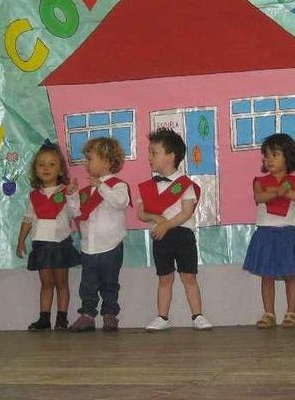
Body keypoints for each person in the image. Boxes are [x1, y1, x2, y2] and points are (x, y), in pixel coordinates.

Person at [137, 128, 213, 331]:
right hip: (160, 237)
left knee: (188, 276)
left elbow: (187, 212)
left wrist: (167, 224)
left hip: (182, 235)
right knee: (164, 278)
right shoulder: (148, 187)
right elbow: (141, 213)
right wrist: (155, 217)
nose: (149, 157)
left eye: (154, 152)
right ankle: (162, 317)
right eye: (149, 152)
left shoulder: (184, 184)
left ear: (170, 156)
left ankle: (197, 315)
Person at [242, 133, 295, 329]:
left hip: (287, 234)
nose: (268, 159)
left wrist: (284, 191)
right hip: (265, 233)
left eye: (274, 154)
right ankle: (269, 312)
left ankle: (291, 313)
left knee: (291, 275)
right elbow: (259, 197)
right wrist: (276, 192)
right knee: (267, 275)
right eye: (266, 155)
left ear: (288, 156)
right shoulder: (260, 181)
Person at [16, 141, 81, 331]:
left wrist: (70, 195)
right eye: (41, 164)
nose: (46, 168)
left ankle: (62, 318)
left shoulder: (65, 191)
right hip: (41, 246)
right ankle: (44, 318)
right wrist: (20, 241)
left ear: (60, 169)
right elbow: (28, 219)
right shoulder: (34, 195)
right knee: (46, 283)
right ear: (35, 170)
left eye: (52, 164)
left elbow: (74, 212)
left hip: (60, 244)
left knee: (61, 282)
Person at [68, 138, 129, 333]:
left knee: (110, 283)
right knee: (88, 284)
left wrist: (101, 187)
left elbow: (120, 202)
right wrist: (72, 196)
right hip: (89, 246)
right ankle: (87, 315)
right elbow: (76, 213)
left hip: (111, 245)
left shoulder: (119, 186)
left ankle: (110, 315)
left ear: (107, 161)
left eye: (90, 158)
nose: (86, 163)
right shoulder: (86, 191)